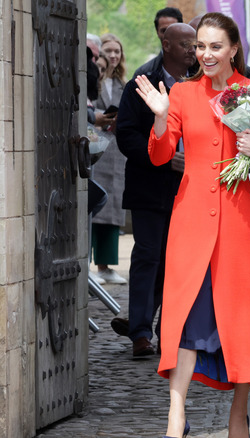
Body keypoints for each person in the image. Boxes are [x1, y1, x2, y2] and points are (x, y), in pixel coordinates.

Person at [133, 12, 250, 438]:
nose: (205, 53)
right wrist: (162, 117)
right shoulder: (181, 92)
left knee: (241, 322)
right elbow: (161, 156)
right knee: (183, 318)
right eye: (200, 46)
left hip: (239, 226)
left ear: (234, 49)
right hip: (191, 223)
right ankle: (175, 414)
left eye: (215, 46)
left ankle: (240, 410)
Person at [112, 23, 197, 358]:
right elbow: (126, 134)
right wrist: (160, 158)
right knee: (147, 257)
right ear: (166, 44)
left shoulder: (199, 84)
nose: (193, 50)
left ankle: (170, 331)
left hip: (187, 191)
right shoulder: (141, 83)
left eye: (196, 44)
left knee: (176, 263)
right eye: (186, 44)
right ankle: (140, 333)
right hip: (149, 187)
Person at [91, 33, 128, 285]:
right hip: (95, 146)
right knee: (93, 206)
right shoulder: (94, 78)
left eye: (117, 51)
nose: (113, 55)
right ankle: (89, 262)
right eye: (109, 50)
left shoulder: (125, 85)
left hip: (116, 151)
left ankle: (106, 265)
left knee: (113, 208)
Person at [131, 7, 184, 83]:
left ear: (182, 30)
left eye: (173, 29)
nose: (168, 35)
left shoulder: (197, 68)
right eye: (164, 30)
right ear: (157, 32)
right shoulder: (143, 75)